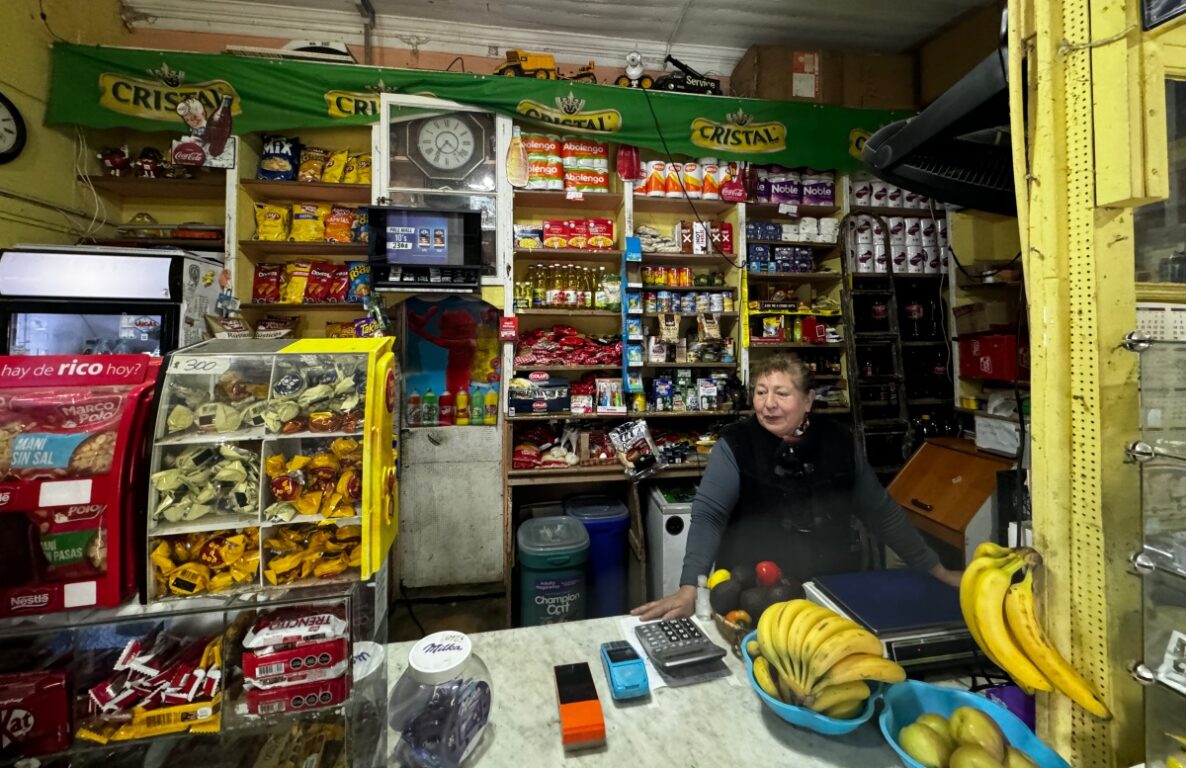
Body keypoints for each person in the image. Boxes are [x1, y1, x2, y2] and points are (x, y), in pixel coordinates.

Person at [634, 354, 962, 621]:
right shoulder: (736, 443)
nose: (768, 403)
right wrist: (691, 586)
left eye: (782, 393)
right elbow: (709, 516)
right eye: (761, 392)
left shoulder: (838, 441)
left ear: (808, 400)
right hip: (752, 595)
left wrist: (935, 569)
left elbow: (883, 514)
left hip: (831, 592)